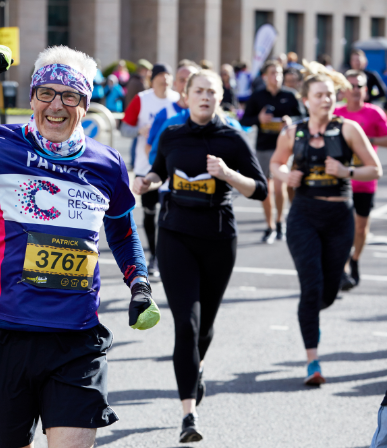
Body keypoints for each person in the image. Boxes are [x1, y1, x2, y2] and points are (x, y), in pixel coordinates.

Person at [0, 45, 160, 448]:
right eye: (46, 93)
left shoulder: (107, 165)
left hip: (77, 336)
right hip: (7, 333)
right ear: (32, 98)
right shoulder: (0, 147)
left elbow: (122, 231)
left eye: (70, 96)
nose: (56, 105)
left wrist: (139, 284)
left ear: (86, 104)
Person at [133, 69, 268, 443]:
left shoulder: (232, 138)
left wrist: (227, 175)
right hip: (175, 233)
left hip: (219, 238)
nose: (205, 97)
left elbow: (260, 189)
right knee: (186, 326)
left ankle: (199, 367)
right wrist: (146, 181)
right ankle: (188, 416)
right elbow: (159, 172)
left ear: (221, 96)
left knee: (205, 326)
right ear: (185, 95)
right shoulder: (172, 134)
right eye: (198, 91)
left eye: (212, 91)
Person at [270, 62, 382, 385]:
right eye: (319, 95)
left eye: (330, 95)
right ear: (306, 100)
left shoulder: (348, 129)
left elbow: (375, 169)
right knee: (312, 286)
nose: (326, 100)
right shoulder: (294, 132)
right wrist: (284, 174)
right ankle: (313, 362)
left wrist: (346, 172)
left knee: (329, 292)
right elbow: (276, 163)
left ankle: (311, 313)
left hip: (339, 217)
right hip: (304, 215)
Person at [121, 64, 181, 279]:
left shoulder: (177, 100)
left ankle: (166, 256)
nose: (165, 82)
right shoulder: (142, 99)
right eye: (160, 79)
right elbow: (125, 128)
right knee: (149, 212)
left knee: (169, 212)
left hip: (172, 167)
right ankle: (153, 254)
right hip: (146, 166)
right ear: (152, 80)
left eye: (168, 78)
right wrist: (140, 130)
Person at [241, 60, 306, 243]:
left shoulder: (290, 95)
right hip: (263, 146)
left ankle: (280, 222)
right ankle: (269, 225)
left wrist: (290, 120)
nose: (276, 77)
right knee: (266, 189)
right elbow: (245, 120)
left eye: (278, 73)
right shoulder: (257, 96)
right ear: (264, 77)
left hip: (285, 148)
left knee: (280, 188)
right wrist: (259, 119)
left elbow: (303, 117)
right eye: (272, 73)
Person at [334, 70, 387, 290]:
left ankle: (354, 259)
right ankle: (342, 268)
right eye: (351, 86)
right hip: (340, 180)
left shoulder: (374, 113)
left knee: (360, 227)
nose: (355, 90)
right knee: (340, 227)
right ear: (344, 90)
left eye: (360, 86)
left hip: (365, 179)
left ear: (366, 90)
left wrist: (366, 140)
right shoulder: (336, 113)